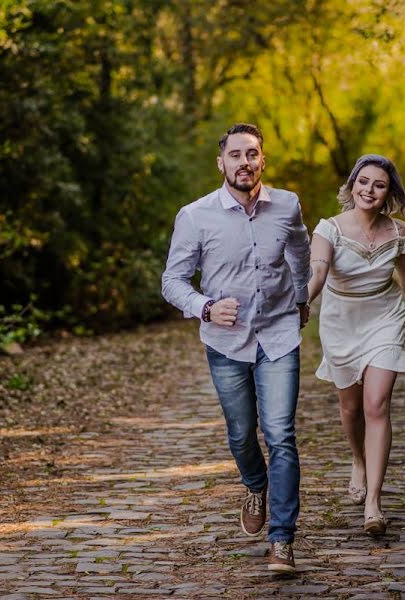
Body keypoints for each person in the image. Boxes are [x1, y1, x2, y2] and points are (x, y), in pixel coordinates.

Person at [161, 123, 311, 573]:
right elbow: (172, 281)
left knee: (281, 434)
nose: (244, 163)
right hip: (226, 341)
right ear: (221, 162)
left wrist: (301, 297)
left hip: (280, 333)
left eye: (252, 155)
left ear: (262, 160)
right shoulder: (195, 215)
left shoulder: (286, 205)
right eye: (235, 155)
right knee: (242, 433)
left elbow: (301, 251)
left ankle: (282, 540)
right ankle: (254, 485)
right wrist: (206, 308)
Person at [305, 154, 405, 535]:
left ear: (389, 193)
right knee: (350, 406)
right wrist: (304, 298)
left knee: (377, 402)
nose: (369, 190)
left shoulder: (399, 232)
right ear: (352, 184)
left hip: (384, 318)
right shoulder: (329, 228)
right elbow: (319, 269)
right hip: (341, 321)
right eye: (364, 182)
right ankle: (357, 459)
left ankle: (373, 502)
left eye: (379, 185)